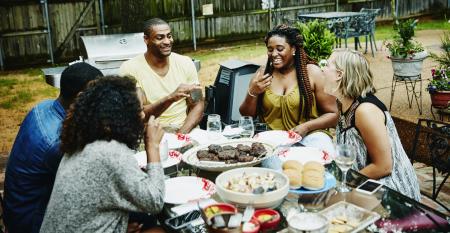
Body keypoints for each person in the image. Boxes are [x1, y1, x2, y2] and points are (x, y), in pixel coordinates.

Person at [39, 76, 166, 233]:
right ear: (119, 115)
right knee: (159, 229)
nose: (142, 115)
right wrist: (152, 146)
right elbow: (155, 201)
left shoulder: (83, 141)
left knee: (144, 221)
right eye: (139, 109)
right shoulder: (111, 152)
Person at [3, 63, 103, 233]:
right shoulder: (58, 142)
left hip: (17, 209)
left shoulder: (43, 106)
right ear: (81, 97)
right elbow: (90, 189)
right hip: (33, 223)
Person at [322, 48, 421, 201]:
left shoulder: (365, 111)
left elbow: (384, 166)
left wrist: (345, 182)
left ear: (339, 75)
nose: (322, 69)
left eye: (327, 65)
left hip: (392, 192)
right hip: (365, 184)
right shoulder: (344, 103)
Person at [239, 24, 338, 153]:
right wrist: (252, 92)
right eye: (270, 49)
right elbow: (246, 115)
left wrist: (306, 127)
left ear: (293, 49)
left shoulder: (312, 73)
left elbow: (333, 114)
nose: (274, 54)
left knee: (318, 168)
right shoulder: (263, 74)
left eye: (280, 49)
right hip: (273, 141)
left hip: (310, 136)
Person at [119, 18, 204, 134]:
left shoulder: (185, 62)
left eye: (169, 36)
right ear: (146, 39)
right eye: (160, 37)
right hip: (151, 134)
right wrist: (170, 98)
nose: (167, 41)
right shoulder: (130, 69)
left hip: (185, 130)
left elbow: (197, 103)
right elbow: (138, 115)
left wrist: (180, 135)